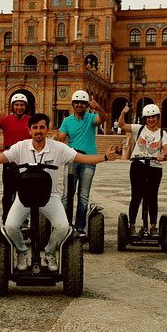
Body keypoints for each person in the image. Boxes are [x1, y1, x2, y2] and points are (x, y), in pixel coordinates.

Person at [0, 113, 117, 271]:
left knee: (63, 227)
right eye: (35, 127)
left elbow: (82, 158)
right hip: (24, 197)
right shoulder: (20, 147)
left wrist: (104, 157)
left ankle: (49, 252)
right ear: (29, 130)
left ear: (47, 129)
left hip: (50, 197)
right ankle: (22, 251)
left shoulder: (58, 148)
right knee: (11, 226)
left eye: (42, 127)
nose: (38, 131)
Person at [55, 90, 107, 235]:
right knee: (67, 194)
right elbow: (61, 137)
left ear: (86, 105)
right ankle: (64, 225)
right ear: (73, 104)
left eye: (82, 103)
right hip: (72, 159)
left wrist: (98, 108)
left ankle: (79, 227)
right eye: (77, 102)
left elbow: (103, 118)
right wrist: (58, 136)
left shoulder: (91, 118)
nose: (79, 105)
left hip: (89, 160)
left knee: (83, 195)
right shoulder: (67, 121)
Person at [117, 104, 167, 236]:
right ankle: (132, 225)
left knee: (152, 196)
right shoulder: (139, 128)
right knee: (136, 196)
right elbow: (121, 125)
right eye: (148, 117)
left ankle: (152, 226)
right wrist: (123, 112)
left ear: (158, 118)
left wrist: (162, 155)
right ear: (145, 118)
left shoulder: (162, 133)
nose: (151, 119)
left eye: (154, 117)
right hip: (138, 165)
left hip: (155, 166)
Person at [0, 93, 31, 222]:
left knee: (24, 191)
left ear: (26, 106)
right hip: (9, 159)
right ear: (12, 106)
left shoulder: (30, 119)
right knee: (8, 192)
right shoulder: (6, 119)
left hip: (25, 158)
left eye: (22, 105)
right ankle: (7, 218)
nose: (19, 107)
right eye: (16, 105)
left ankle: (23, 220)